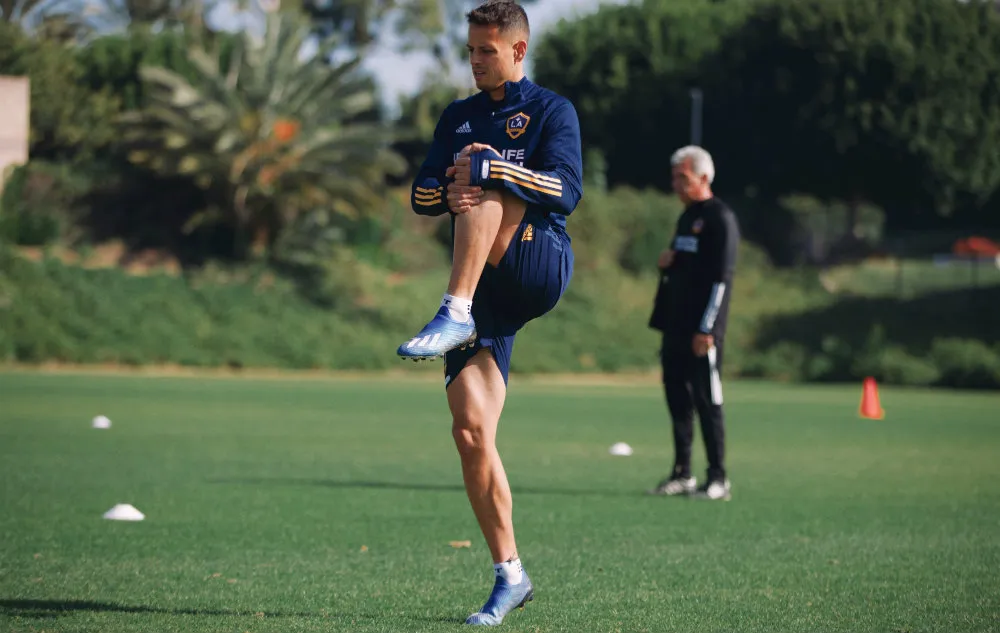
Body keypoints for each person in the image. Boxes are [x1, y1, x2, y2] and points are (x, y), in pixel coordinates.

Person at [397, 0, 583, 625]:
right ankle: (510, 575)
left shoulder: (552, 110)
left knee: (483, 172)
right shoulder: (457, 115)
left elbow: (567, 191)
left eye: (487, 50)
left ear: (518, 50)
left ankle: (452, 310)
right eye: (471, 50)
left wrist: (492, 170)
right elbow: (424, 196)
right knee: (471, 432)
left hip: (536, 261)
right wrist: (451, 187)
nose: (475, 60)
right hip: (487, 293)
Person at [647, 145, 739, 501]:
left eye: (682, 177)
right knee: (678, 399)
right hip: (675, 325)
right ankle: (682, 473)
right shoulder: (686, 217)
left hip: (702, 331)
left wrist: (708, 329)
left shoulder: (720, 218)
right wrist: (667, 262)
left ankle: (718, 477)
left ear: (703, 177)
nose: (675, 184)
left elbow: (721, 280)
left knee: (707, 401)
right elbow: (686, 264)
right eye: (673, 178)